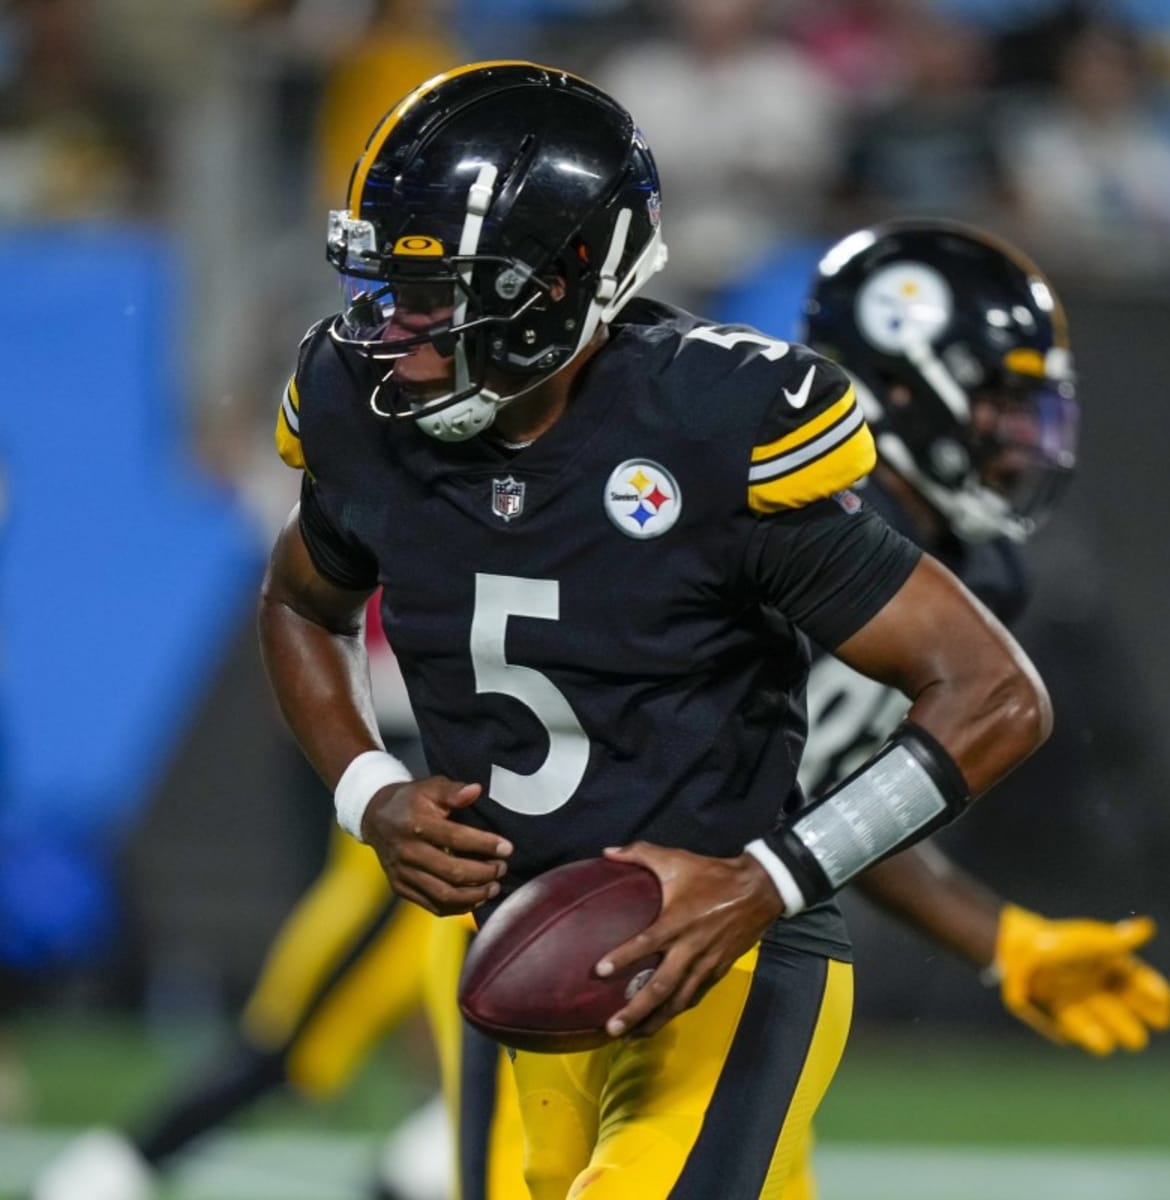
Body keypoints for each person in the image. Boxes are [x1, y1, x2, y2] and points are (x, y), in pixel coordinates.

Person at [258, 60, 1052, 1199]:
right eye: (392, 287)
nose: (398, 331)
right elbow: (299, 601)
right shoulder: (363, 410)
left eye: (441, 295)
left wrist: (770, 878)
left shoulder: (702, 429)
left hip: (722, 960)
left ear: (556, 291)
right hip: (524, 962)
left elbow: (994, 692)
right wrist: (368, 792)